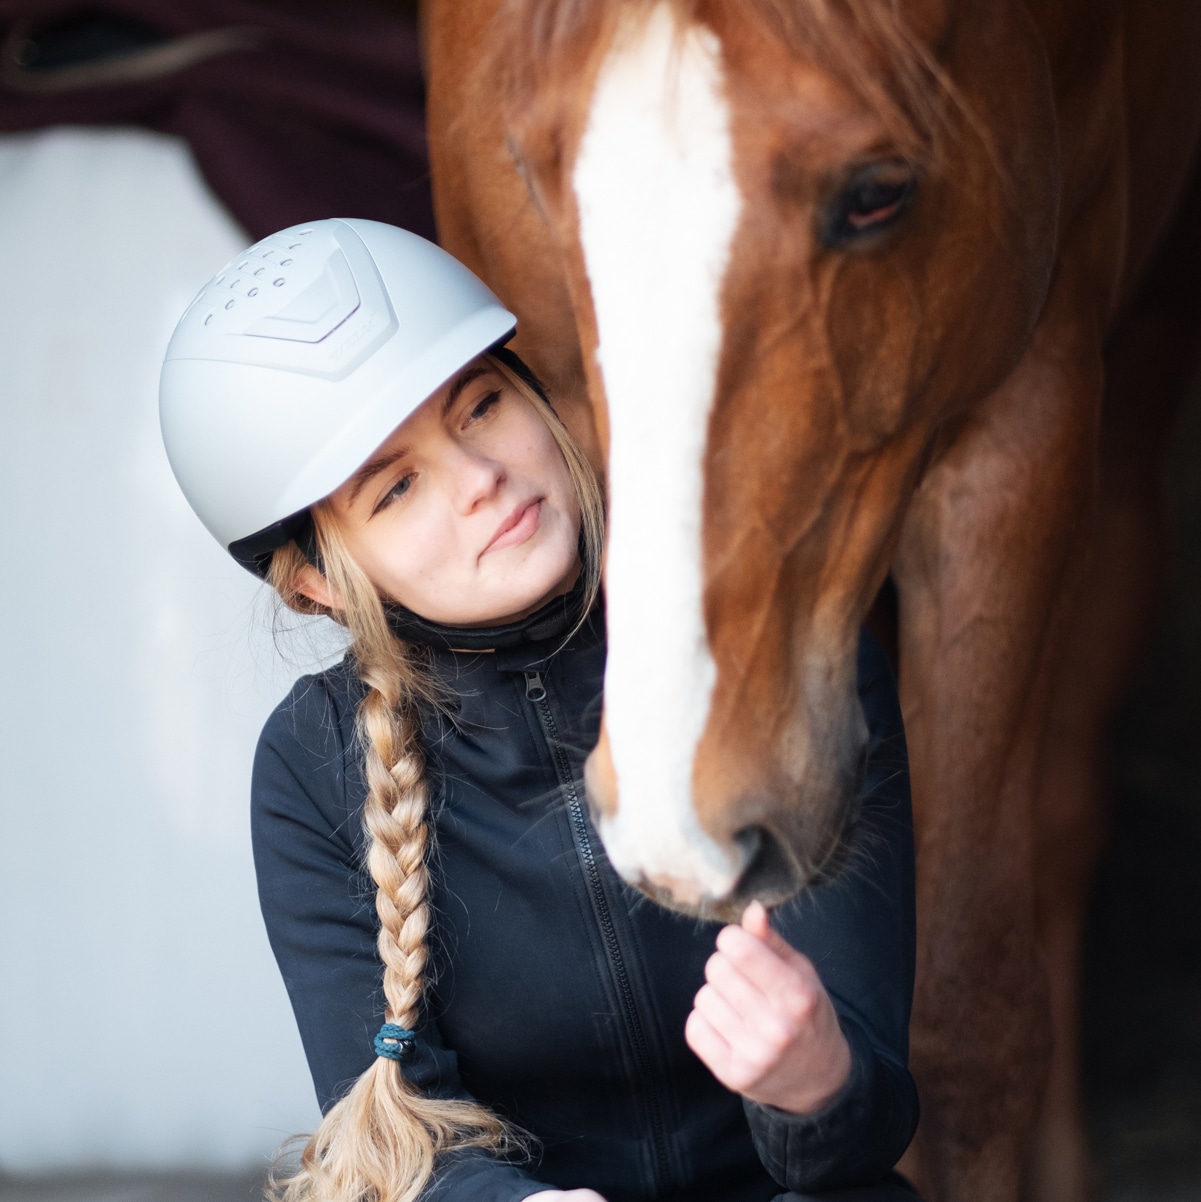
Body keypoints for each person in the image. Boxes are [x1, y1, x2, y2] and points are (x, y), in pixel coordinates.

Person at [159, 218, 920, 1202]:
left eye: (480, 404)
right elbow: (400, 1148)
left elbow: (862, 1133)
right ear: (319, 583)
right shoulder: (311, 767)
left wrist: (816, 1080)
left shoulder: (777, 644)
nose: (480, 479)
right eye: (397, 488)